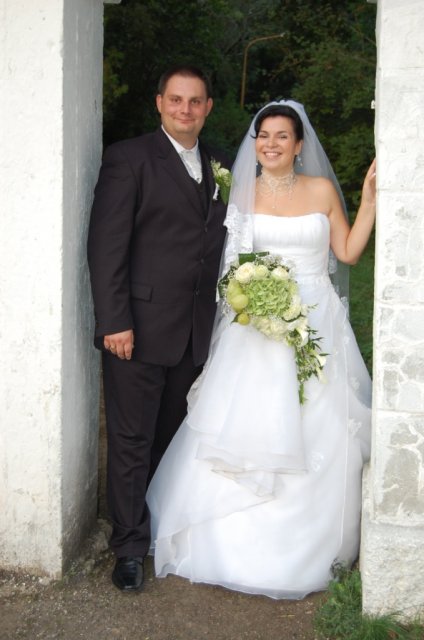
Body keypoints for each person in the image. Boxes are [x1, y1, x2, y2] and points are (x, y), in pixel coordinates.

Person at [146, 100, 376, 599]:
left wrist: (370, 201)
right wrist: (254, 301)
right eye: (263, 136)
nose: (271, 144)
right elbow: (229, 267)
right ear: (255, 144)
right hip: (256, 327)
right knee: (247, 426)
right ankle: (229, 544)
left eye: (281, 136)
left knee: (320, 425)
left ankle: (309, 550)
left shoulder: (321, 191)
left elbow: (347, 252)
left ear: (299, 145)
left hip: (316, 323)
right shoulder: (240, 194)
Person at [87, 66, 230, 592]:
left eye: (195, 101)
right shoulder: (128, 159)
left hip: (194, 332)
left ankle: (154, 527)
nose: (184, 110)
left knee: (169, 439)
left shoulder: (221, 163)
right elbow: (106, 245)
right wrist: (114, 321)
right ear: (159, 103)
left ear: (207, 107)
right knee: (130, 439)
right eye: (176, 100)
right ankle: (127, 548)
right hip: (137, 330)